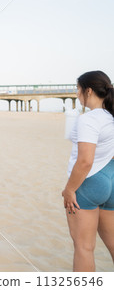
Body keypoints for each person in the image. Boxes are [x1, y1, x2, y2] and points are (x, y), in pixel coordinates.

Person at [62, 70, 114, 272]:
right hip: (110, 179)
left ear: (89, 90)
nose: (77, 94)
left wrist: (69, 189)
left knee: (84, 247)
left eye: (78, 89)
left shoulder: (89, 119)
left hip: (89, 183)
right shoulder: (110, 116)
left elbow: (85, 161)